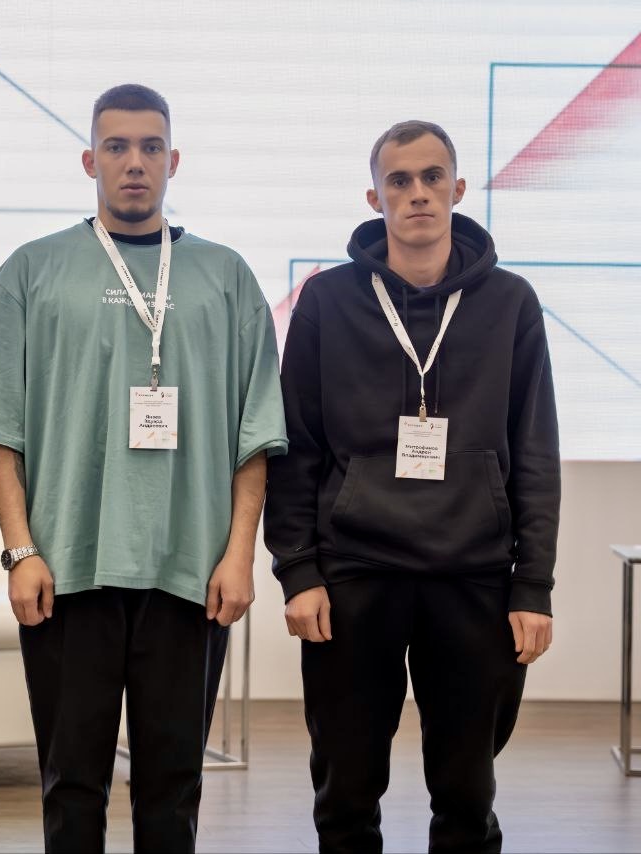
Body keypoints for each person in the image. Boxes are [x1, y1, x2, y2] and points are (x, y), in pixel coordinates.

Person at [0, 84, 287, 853]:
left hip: (190, 574)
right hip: (67, 571)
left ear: (173, 160)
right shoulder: (29, 272)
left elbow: (255, 436)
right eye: (116, 147)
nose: (134, 163)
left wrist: (239, 555)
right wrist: (20, 551)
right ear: (90, 161)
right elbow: (1, 432)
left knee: (172, 789)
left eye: (151, 147)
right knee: (71, 785)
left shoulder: (227, 277)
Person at [264, 120, 560, 854]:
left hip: (474, 576)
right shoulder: (327, 301)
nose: (418, 193)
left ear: (457, 189)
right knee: (345, 793)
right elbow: (297, 446)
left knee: (467, 796)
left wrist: (533, 584)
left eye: (432, 178)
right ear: (376, 197)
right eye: (399, 180)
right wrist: (297, 570)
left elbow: (534, 450)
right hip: (353, 574)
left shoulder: (511, 302)